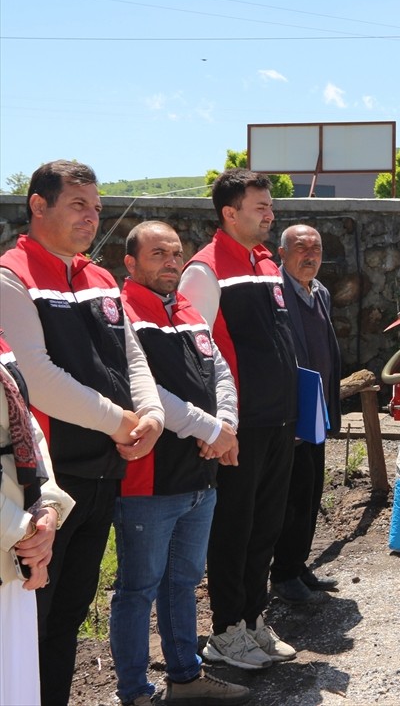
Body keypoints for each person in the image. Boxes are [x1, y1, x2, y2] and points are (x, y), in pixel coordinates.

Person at [0, 160, 164, 706]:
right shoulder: (10, 274)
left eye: (96, 207)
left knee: (70, 616)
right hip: (48, 486)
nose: (92, 217)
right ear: (38, 206)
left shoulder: (98, 277)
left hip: (103, 475)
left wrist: (152, 417)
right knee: (33, 621)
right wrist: (125, 423)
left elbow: (131, 355)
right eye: (78, 205)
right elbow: (37, 378)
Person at [111, 222, 250, 706]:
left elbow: (220, 370)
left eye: (175, 253)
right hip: (148, 481)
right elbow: (144, 391)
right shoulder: (121, 313)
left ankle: (186, 678)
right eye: (157, 254)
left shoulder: (187, 307)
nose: (171, 262)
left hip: (198, 478)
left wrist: (226, 422)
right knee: (138, 590)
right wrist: (212, 431)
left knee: (184, 583)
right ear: (130, 263)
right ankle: (134, 693)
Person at [179, 169, 299, 671]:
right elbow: (196, 354)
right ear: (229, 213)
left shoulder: (267, 263)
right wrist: (217, 427)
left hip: (277, 418)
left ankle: (253, 620)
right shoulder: (204, 271)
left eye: (270, 206)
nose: (270, 214)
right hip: (239, 426)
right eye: (260, 207)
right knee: (234, 529)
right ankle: (226, 631)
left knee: (267, 525)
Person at [1, 334, 75, 706]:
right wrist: (22, 532)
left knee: (16, 685)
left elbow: (26, 426)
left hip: (14, 556)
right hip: (11, 541)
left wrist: (46, 507)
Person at [270, 225, 342, 605]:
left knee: (312, 491)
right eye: (300, 247)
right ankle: (282, 575)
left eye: (316, 247)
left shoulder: (321, 292)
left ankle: (298, 565)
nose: (309, 255)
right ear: (281, 253)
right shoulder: (275, 293)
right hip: (291, 412)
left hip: (317, 411)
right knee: (292, 496)